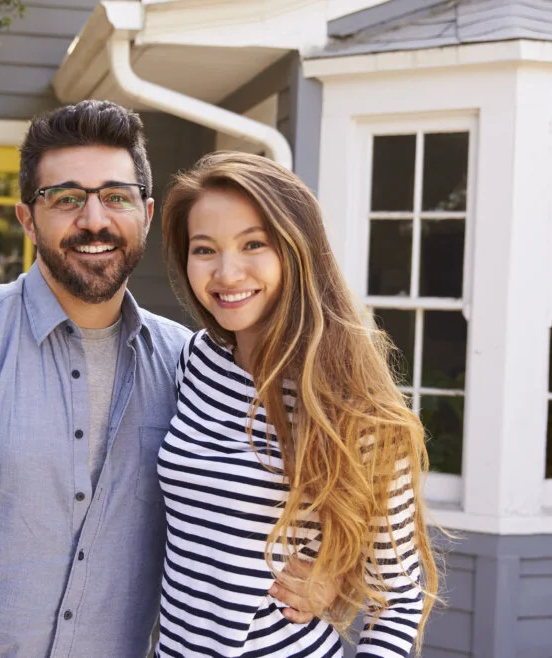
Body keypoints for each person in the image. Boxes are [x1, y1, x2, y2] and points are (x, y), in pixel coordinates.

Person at [0, 101, 323, 658]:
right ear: (29, 218)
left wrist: (332, 569)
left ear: (145, 215)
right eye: (67, 199)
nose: (95, 220)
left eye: (116, 198)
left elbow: (290, 491)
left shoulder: (191, 365)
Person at [156, 152, 440, 657]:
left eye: (253, 245)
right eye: (205, 249)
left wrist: (339, 570)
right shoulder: (195, 361)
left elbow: (399, 596)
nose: (226, 272)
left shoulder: (352, 404)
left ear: (296, 249)